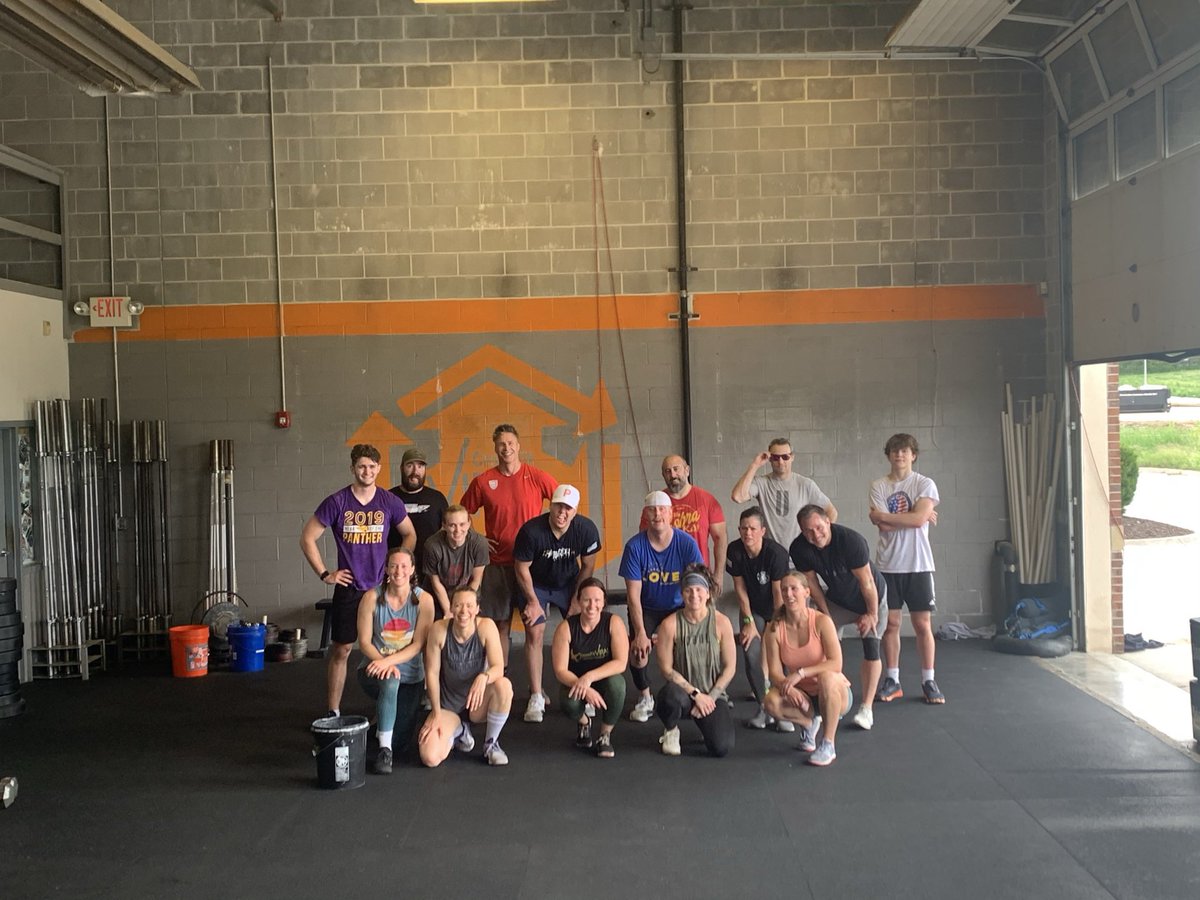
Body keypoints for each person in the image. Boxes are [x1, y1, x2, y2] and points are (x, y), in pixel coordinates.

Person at [300, 443, 416, 717]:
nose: (367, 471)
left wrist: (397, 566)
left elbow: (410, 534)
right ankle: (333, 710)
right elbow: (307, 538)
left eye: (372, 466)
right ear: (353, 468)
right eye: (362, 466)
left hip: (382, 588)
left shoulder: (389, 501)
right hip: (350, 587)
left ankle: (384, 709)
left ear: (379, 468)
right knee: (342, 649)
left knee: (386, 649)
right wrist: (325, 573)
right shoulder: (337, 502)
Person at [460, 424, 558, 668]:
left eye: (511, 443)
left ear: (518, 446)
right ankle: (499, 678)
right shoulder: (484, 481)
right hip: (498, 565)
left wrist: (550, 535)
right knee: (500, 625)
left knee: (533, 626)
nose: (507, 448)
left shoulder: (536, 477)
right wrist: (477, 538)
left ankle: (535, 685)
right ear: (495, 448)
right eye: (501, 444)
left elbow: (563, 503)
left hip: (532, 565)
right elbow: (461, 513)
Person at [790, 504, 886, 731]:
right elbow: (812, 585)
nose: (815, 535)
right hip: (838, 600)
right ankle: (831, 699)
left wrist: (871, 614)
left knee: (871, 646)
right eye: (808, 531)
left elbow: (867, 582)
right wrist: (826, 616)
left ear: (828, 522)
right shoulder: (799, 548)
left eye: (819, 527)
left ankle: (866, 708)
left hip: (870, 598)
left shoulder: (851, 541)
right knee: (821, 643)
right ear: (802, 531)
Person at [513, 484, 601, 723]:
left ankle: (583, 691)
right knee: (535, 631)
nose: (562, 512)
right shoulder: (531, 531)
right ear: (550, 506)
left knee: (581, 631)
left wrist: (577, 599)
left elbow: (588, 566)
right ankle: (536, 695)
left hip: (568, 583)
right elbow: (521, 569)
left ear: (575, 511)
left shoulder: (586, 529)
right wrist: (533, 601)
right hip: (536, 585)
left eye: (568, 508)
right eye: (559, 506)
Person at [869, 433, 943, 704]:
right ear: (888, 455)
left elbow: (914, 520)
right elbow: (885, 526)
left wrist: (889, 516)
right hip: (888, 565)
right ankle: (893, 680)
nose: (899, 455)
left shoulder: (924, 483)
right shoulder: (878, 485)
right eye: (895, 451)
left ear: (913, 455)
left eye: (905, 451)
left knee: (923, 624)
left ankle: (928, 680)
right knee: (891, 624)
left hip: (918, 564)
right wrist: (914, 516)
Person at [619, 490, 705, 723]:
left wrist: (698, 616)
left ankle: (691, 692)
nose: (658, 514)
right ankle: (645, 697)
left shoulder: (686, 543)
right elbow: (633, 596)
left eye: (662, 510)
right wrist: (640, 633)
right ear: (645, 515)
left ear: (671, 514)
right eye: (653, 510)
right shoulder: (635, 547)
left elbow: (698, 583)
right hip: (647, 606)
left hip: (678, 607)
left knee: (690, 649)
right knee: (638, 652)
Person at [356, 548, 434, 774]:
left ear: (412, 569)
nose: (399, 571)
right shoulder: (371, 598)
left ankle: (383, 725)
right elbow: (364, 642)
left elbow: (418, 644)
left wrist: (390, 662)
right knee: (390, 682)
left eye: (404, 566)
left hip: (411, 676)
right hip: (374, 668)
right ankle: (384, 751)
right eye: (393, 566)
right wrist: (384, 663)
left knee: (401, 742)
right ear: (387, 569)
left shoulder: (424, 600)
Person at [762, 571, 853, 766]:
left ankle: (828, 744)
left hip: (833, 692)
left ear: (806, 592)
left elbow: (836, 663)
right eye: (784, 590)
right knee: (770, 702)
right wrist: (790, 688)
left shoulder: (821, 621)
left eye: (794, 589)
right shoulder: (774, 629)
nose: (789, 594)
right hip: (803, 697)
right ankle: (809, 723)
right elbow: (774, 673)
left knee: (826, 677)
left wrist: (800, 673)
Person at [417, 588, 514, 767]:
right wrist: (436, 713)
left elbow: (498, 667)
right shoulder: (439, 630)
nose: (464, 611)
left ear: (477, 609)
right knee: (430, 757)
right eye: (458, 605)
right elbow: (431, 673)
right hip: (449, 707)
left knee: (504, 686)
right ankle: (460, 731)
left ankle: (491, 744)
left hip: (476, 704)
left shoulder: (486, 627)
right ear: (451, 608)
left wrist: (484, 677)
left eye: (469, 606)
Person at [653, 564, 737, 758]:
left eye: (699, 590)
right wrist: (695, 694)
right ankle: (671, 730)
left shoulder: (722, 622)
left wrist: (711, 698)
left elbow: (730, 667)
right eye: (688, 590)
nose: (694, 595)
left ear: (708, 593)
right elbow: (666, 669)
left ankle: (706, 725)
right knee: (668, 696)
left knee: (721, 747)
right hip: (684, 694)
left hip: (712, 695)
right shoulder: (669, 625)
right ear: (682, 594)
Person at [725, 507, 792, 731]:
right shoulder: (734, 550)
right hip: (752, 610)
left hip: (778, 609)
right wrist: (748, 623)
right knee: (750, 651)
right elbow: (740, 589)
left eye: (753, 528)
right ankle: (765, 707)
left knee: (780, 654)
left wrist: (775, 627)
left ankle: (782, 708)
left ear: (763, 531)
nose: (748, 533)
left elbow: (778, 595)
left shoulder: (777, 554)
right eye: (744, 528)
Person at [550, 577, 629, 758]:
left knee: (618, 686)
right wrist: (584, 687)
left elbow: (621, 662)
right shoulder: (565, 628)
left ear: (604, 602)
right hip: (576, 681)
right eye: (587, 600)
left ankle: (605, 734)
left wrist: (589, 677)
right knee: (568, 702)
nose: (592, 606)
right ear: (578, 601)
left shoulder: (614, 622)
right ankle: (584, 723)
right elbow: (560, 670)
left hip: (604, 678)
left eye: (597, 600)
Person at [730, 438, 838, 550]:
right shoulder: (761, 483)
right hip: (771, 554)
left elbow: (831, 512)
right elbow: (738, 497)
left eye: (785, 457)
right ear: (770, 459)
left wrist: (819, 541)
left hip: (800, 555)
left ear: (792, 457)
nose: (780, 462)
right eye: (776, 458)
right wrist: (755, 465)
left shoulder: (805, 484)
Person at [640, 455, 728, 582]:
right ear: (663, 475)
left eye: (676, 469)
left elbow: (720, 538)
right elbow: (644, 542)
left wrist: (718, 575)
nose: (673, 475)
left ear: (687, 470)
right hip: (664, 578)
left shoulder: (707, 500)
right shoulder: (655, 506)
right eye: (668, 471)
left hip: (697, 575)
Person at [388, 447, 448, 580]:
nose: (415, 471)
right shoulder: (388, 498)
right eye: (410, 465)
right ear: (401, 468)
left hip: (430, 573)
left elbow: (449, 532)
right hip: (396, 572)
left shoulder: (437, 499)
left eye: (420, 466)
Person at [423, 504, 489, 619]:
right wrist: (448, 611)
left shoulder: (479, 544)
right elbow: (436, 583)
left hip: (468, 594)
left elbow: (476, 580)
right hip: (438, 597)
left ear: (468, 524)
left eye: (462, 524)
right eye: (452, 525)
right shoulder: (432, 546)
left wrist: (463, 607)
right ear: (444, 525)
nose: (458, 530)